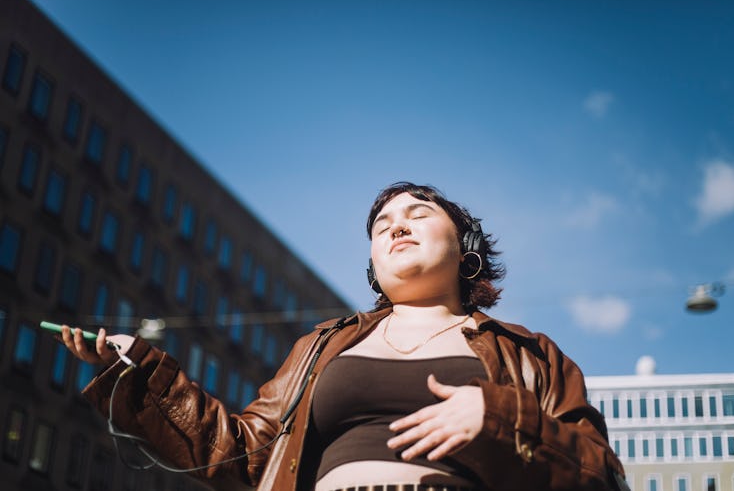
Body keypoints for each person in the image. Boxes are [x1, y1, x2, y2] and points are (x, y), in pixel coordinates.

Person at [61, 182, 628, 491]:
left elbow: (597, 475)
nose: (395, 224)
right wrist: (143, 374)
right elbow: (244, 457)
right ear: (373, 264)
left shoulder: (530, 354)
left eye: (419, 213)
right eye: (381, 225)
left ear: (468, 251)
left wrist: (498, 420)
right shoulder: (321, 349)